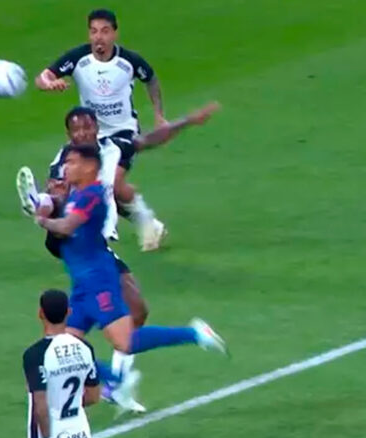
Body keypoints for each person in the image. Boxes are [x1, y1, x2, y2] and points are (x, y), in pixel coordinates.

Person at [17, 103, 219, 383]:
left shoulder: (112, 151)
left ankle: (120, 376)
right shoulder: (65, 163)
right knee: (77, 341)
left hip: (91, 251)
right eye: (76, 129)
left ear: (96, 128)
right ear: (68, 134)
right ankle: (118, 377)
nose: (82, 133)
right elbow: (57, 198)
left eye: (87, 126)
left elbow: (149, 140)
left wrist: (186, 121)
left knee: (130, 316)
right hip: (80, 251)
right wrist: (41, 203)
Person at [35, 144, 226, 412]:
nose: (66, 167)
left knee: (124, 341)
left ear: (90, 167)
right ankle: (116, 382)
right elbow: (60, 224)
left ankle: (194, 333)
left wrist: (43, 221)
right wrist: (45, 209)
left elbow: (66, 227)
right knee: (63, 346)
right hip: (82, 285)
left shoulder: (92, 195)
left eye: (73, 162)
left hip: (99, 281)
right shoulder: (76, 196)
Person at [35, 8, 169, 251]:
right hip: (90, 135)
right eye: (94, 31)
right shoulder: (78, 58)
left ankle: (106, 231)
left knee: (111, 180)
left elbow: (151, 79)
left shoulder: (128, 61)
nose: (99, 37)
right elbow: (42, 77)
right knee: (105, 187)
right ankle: (148, 222)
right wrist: (49, 84)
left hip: (124, 132)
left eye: (105, 31)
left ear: (114, 34)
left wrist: (159, 115)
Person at [23, 289, 122, 438]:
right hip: (80, 433)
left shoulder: (35, 355)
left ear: (40, 313)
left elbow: (40, 405)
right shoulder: (84, 348)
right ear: (68, 312)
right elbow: (94, 396)